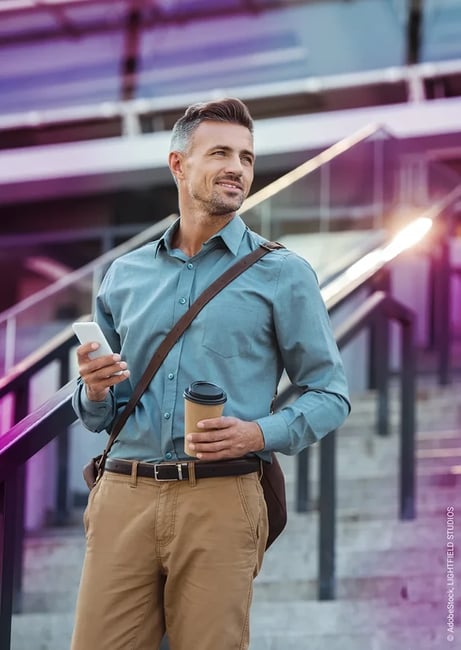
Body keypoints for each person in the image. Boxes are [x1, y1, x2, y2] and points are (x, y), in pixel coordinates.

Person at [71, 97, 350, 650]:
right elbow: (100, 408)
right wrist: (94, 389)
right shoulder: (123, 275)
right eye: (220, 152)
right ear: (179, 165)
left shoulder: (283, 273)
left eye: (246, 157)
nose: (237, 168)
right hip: (124, 490)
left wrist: (259, 433)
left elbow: (330, 392)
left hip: (222, 497)